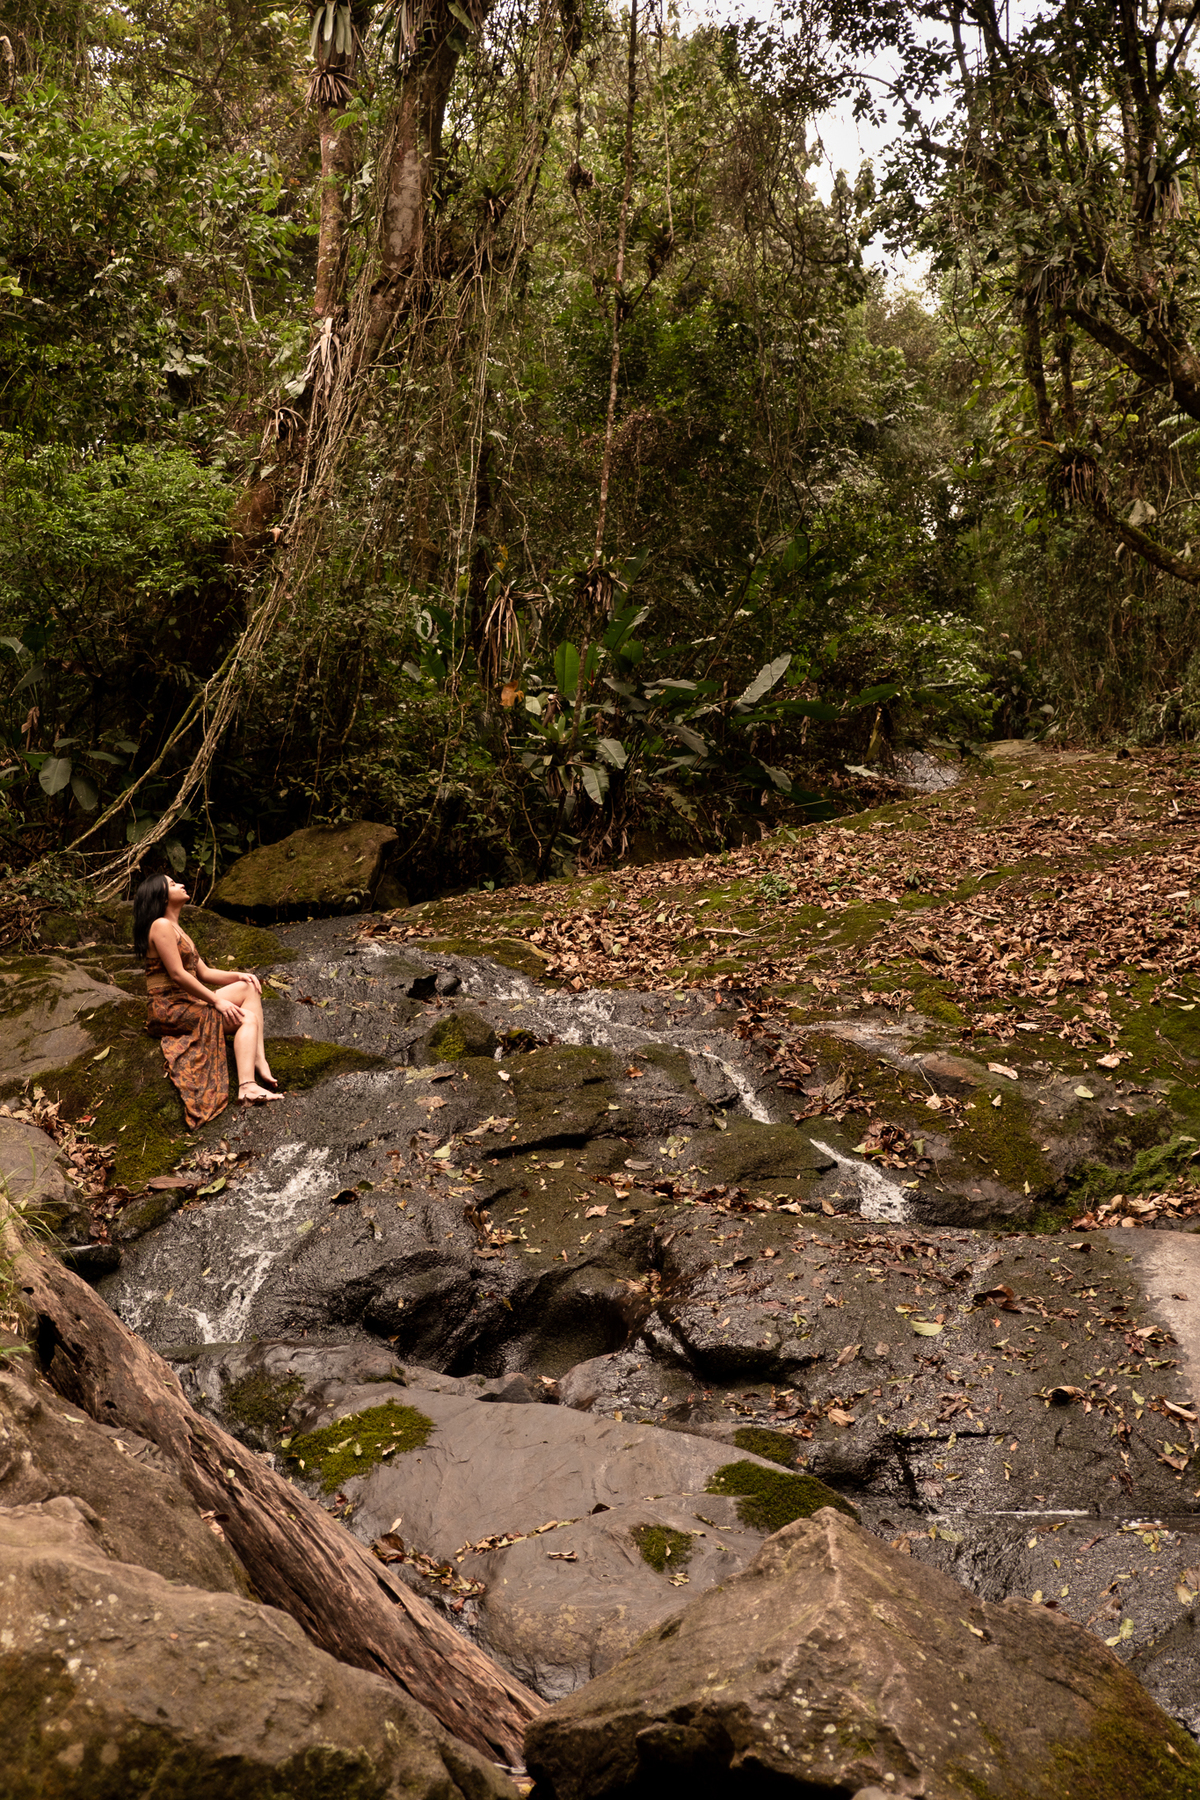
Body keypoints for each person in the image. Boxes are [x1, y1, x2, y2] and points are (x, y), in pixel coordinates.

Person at [133, 873, 283, 1126]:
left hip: (186, 1000)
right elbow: (178, 975)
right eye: (172, 884)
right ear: (161, 896)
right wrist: (217, 1001)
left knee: (248, 988)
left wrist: (240, 974)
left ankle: (259, 1059)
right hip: (169, 1008)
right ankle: (247, 1086)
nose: (180, 884)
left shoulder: (177, 928)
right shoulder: (160, 925)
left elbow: (204, 973)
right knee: (246, 1018)